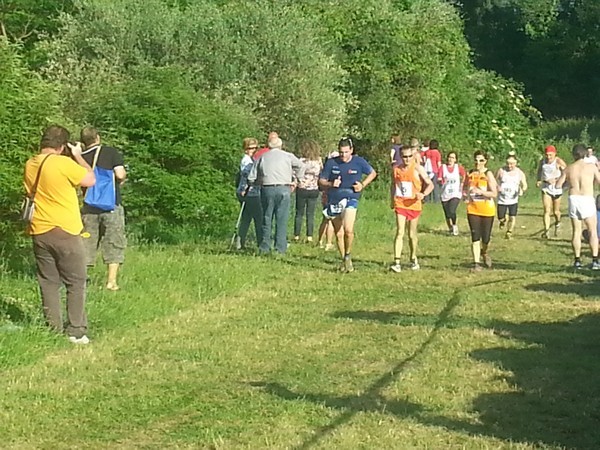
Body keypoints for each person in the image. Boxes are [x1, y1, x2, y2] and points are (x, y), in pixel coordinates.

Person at [24, 125, 95, 344]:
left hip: (39, 229)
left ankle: (52, 328)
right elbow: (90, 180)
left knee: (48, 281)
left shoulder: (31, 164)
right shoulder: (64, 163)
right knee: (76, 281)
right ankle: (76, 330)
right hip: (65, 229)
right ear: (62, 146)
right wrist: (78, 156)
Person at [319, 138, 377, 272]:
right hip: (334, 199)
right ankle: (345, 260)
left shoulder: (359, 161)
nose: (343, 155)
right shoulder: (331, 163)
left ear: (351, 150)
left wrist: (363, 184)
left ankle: (348, 254)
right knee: (338, 233)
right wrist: (330, 184)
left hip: (351, 197)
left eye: (346, 152)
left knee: (348, 230)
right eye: (341, 152)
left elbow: (373, 173)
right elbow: (321, 181)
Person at [80, 126, 127, 291]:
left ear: (83, 141)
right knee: (114, 241)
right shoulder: (110, 152)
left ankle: (82, 280)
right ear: (98, 137)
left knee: (86, 241)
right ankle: (111, 282)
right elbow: (120, 174)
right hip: (111, 204)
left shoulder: (79, 157)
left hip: (89, 205)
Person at [248, 136, 305, 254]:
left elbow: (251, 177)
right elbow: (301, 166)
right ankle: (280, 248)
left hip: (267, 188)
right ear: (280, 145)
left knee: (267, 218)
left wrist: (256, 182)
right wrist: (297, 180)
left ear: (268, 146)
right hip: (284, 188)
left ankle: (265, 247)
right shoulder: (288, 156)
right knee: (282, 219)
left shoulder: (262, 157)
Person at [389, 145, 434, 272]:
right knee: (400, 232)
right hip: (400, 203)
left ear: (413, 156)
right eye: (404, 156)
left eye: (409, 156)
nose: (407, 159)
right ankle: (397, 261)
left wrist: (423, 194)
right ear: (400, 157)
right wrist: (391, 199)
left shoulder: (418, 168)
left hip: (414, 204)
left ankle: (413, 257)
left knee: (411, 234)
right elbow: (393, 185)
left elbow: (430, 184)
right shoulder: (396, 169)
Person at [556, 143, 600, 269]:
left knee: (576, 231)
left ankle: (577, 260)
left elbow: (558, 185)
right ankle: (595, 260)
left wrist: (569, 183)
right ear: (585, 153)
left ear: (573, 154)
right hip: (587, 198)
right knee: (592, 231)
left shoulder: (569, 168)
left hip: (574, 198)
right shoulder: (590, 167)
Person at [464, 150, 498, 272]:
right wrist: (466, 196)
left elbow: (494, 193)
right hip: (473, 209)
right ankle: (476, 263)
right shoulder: (470, 173)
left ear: (485, 161)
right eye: (476, 160)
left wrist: (481, 192)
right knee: (475, 236)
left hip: (487, 210)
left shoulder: (488, 174)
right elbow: (465, 187)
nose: (478, 163)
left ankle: (484, 251)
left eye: (481, 160)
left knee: (486, 238)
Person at [293, 140, 323, 243]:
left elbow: (295, 174)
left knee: (299, 213)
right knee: (310, 214)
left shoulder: (300, 161)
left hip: (302, 188)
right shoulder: (318, 161)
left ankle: (296, 235)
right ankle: (309, 236)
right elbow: (321, 173)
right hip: (314, 189)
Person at [236, 137, 263, 250]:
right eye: (250, 148)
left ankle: (240, 242)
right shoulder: (246, 161)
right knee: (258, 218)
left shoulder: (251, 160)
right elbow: (249, 175)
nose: (253, 150)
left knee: (246, 218)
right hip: (249, 193)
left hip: (249, 192)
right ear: (245, 149)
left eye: (255, 148)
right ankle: (261, 243)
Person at [536, 145, 566, 239]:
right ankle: (546, 231)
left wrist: (556, 179)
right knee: (546, 210)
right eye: (547, 155)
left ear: (555, 154)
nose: (548, 157)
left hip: (556, 188)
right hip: (546, 187)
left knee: (556, 211)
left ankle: (558, 222)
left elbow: (567, 173)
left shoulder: (558, 161)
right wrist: (539, 180)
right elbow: (539, 171)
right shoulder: (542, 161)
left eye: (550, 155)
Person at [496, 153, 528, 239]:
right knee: (501, 217)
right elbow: (495, 181)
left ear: (516, 163)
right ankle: (503, 221)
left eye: (512, 164)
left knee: (512, 216)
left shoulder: (519, 173)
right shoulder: (501, 171)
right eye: (508, 163)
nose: (509, 166)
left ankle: (509, 232)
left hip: (513, 200)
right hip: (502, 199)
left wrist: (521, 190)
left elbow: (525, 185)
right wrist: (497, 187)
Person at [437, 151, 466, 235]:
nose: (450, 159)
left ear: (455, 159)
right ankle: (450, 228)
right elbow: (439, 179)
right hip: (445, 193)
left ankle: (454, 225)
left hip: (455, 193)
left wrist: (462, 183)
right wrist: (442, 181)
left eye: (452, 158)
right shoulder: (443, 167)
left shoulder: (458, 167)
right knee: (447, 213)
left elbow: (464, 175)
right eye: (449, 157)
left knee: (452, 210)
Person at [318, 150, 339, 251]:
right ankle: (329, 243)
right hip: (332, 195)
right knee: (331, 219)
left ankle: (320, 241)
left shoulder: (326, 168)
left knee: (325, 219)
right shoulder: (336, 170)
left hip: (325, 194)